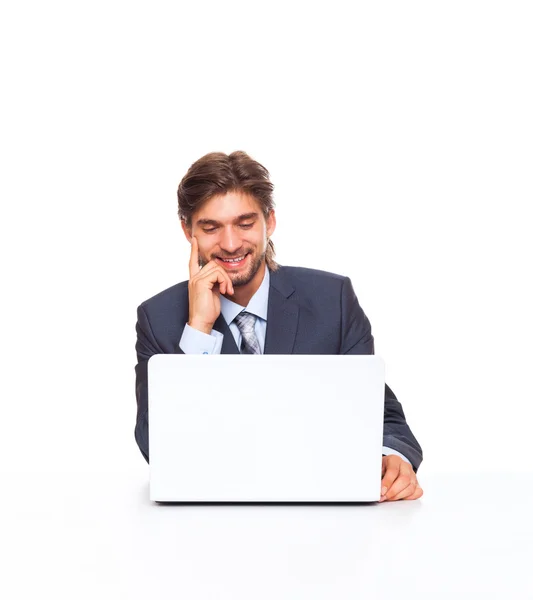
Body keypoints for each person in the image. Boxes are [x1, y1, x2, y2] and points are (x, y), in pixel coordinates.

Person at [134, 151, 424, 502]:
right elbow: (157, 448)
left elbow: (380, 411)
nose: (230, 243)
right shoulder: (159, 318)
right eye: (211, 227)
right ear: (187, 230)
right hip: (208, 522)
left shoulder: (333, 300)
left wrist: (394, 457)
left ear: (269, 222)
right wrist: (199, 329)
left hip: (321, 513)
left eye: (244, 223)